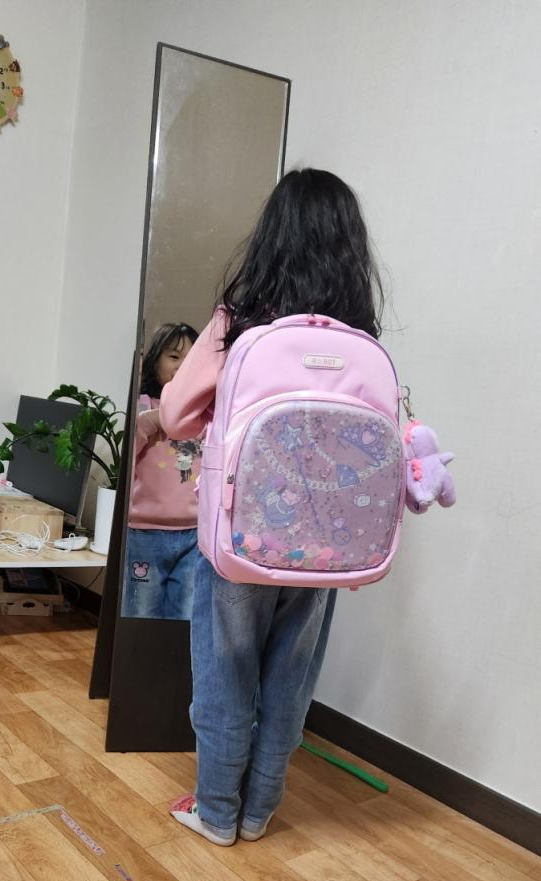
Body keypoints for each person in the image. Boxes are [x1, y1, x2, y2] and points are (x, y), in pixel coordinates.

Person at [160, 169, 384, 844]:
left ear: (272, 236)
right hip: (327, 547)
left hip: (239, 539)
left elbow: (173, 414)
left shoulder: (239, 323)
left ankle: (217, 812)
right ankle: (259, 812)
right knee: (290, 678)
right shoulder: (363, 340)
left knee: (225, 671)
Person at [123, 322, 201, 620]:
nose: (183, 366)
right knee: (140, 612)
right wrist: (149, 421)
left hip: (194, 534)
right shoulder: (143, 406)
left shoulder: (205, 413)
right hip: (144, 533)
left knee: (186, 615)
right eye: (174, 356)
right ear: (155, 360)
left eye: (191, 359)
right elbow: (124, 458)